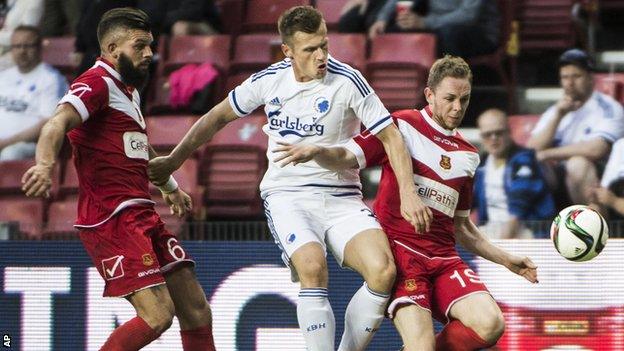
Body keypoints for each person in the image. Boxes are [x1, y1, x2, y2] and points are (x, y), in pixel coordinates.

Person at [148, 6, 431, 351]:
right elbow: (216, 117)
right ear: (288, 51)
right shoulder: (269, 81)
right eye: (310, 49)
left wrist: (409, 192)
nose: (322, 56)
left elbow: (391, 137)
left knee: (383, 272)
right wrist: (175, 159)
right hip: (288, 195)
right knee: (313, 269)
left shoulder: (348, 80)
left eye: (324, 45)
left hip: (342, 196)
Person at [274, 55, 539, 351]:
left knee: (491, 324)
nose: (457, 108)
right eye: (449, 98)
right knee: (421, 346)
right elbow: (347, 156)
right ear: (429, 94)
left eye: (464, 100)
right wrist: (317, 150)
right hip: (403, 257)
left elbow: (462, 226)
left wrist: (506, 259)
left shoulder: (468, 155)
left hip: (443, 259)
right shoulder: (399, 126)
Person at [21, 8, 216, 351]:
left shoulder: (128, 90)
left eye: (151, 46)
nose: (149, 54)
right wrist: (44, 164)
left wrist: (169, 186)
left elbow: (139, 146)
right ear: (112, 49)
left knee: (197, 309)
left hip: (142, 213)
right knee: (157, 316)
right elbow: (56, 123)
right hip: (112, 218)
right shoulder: (95, 82)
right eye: (139, 46)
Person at [527, 48, 624, 205]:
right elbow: (531, 149)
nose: (570, 83)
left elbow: (597, 149)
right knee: (526, 166)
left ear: (591, 78)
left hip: (602, 177)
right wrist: (558, 115)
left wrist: (547, 154)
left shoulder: (608, 108)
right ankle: (534, 226)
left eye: (576, 76)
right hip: (561, 176)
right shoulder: (556, 110)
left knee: (578, 163)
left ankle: (590, 226)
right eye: (565, 77)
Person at [473, 108, 556, 239]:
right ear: (481, 137)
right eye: (488, 134)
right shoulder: (482, 165)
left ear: (509, 132)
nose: (493, 138)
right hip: (491, 230)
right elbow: (468, 202)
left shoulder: (525, 160)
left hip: (527, 231)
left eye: (499, 133)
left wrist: (498, 250)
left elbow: (518, 209)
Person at [0, 25, 67, 161]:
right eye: (17, 46)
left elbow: (49, 123)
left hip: (29, 146)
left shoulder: (51, 79)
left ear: (39, 48)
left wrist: (5, 143)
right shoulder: (3, 76)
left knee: (10, 154)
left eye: (28, 46)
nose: (22, 51)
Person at [368, 0, 499, 59]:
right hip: (438, 28)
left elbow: (468, 15)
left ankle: (453, 95)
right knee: (393, 32)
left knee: (449, 34)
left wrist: (424, 22)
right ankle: (401, 93)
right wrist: (382, 18)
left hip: (480, 33)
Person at [591, 138, 624, 219]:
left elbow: (612, 200)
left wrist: (614, 202)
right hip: (613, 218)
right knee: (594, 210)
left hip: (616, 204)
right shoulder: (621, 145)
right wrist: (598, 195)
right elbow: (603, 192)